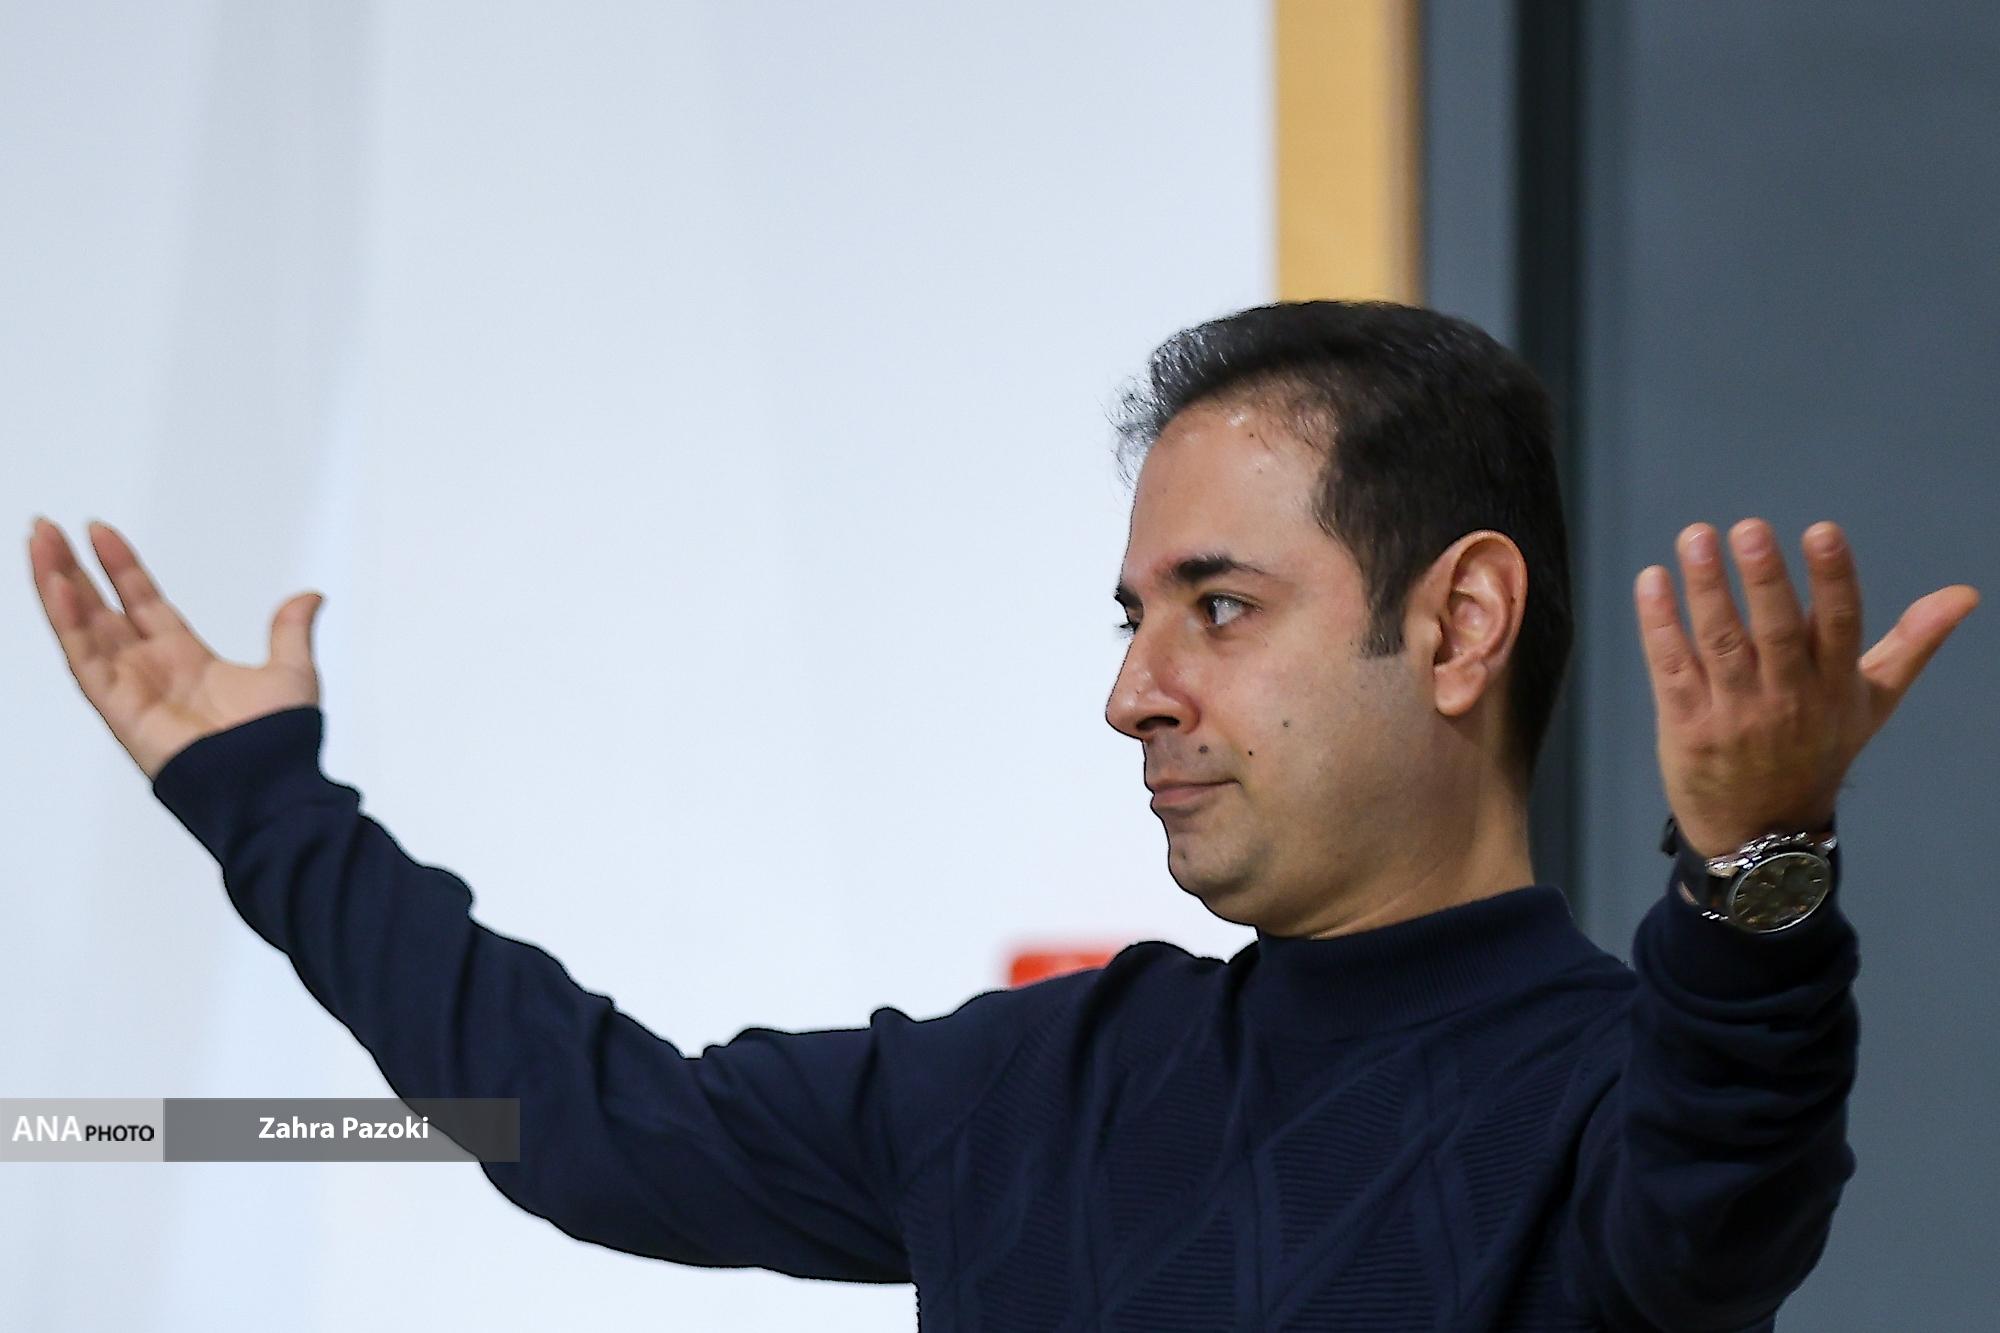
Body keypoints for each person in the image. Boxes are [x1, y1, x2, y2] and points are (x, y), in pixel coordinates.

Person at [27, 300, 1979, 1330]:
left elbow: (1725, 1170)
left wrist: (1753, 866)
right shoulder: (1039, 1084)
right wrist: (259, 799)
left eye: (1219, 607)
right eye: (1133, 618)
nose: (1136, 690)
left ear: (1459, 622)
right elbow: (586, 1128)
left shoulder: (1612, 1103)